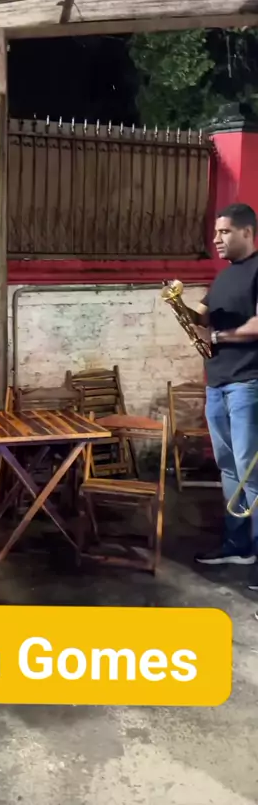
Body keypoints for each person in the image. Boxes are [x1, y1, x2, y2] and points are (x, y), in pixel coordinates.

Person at [181, 203, 258, 581]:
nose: (216, 239)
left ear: (247, 232)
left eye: (224, 232)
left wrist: (217, 336)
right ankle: (237, 545)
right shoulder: (223, 277)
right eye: (215, 233)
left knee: (251, 473)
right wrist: (178, 305)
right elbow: (200, 315)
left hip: (248, 384)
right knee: (228, 469)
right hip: (217, 385)